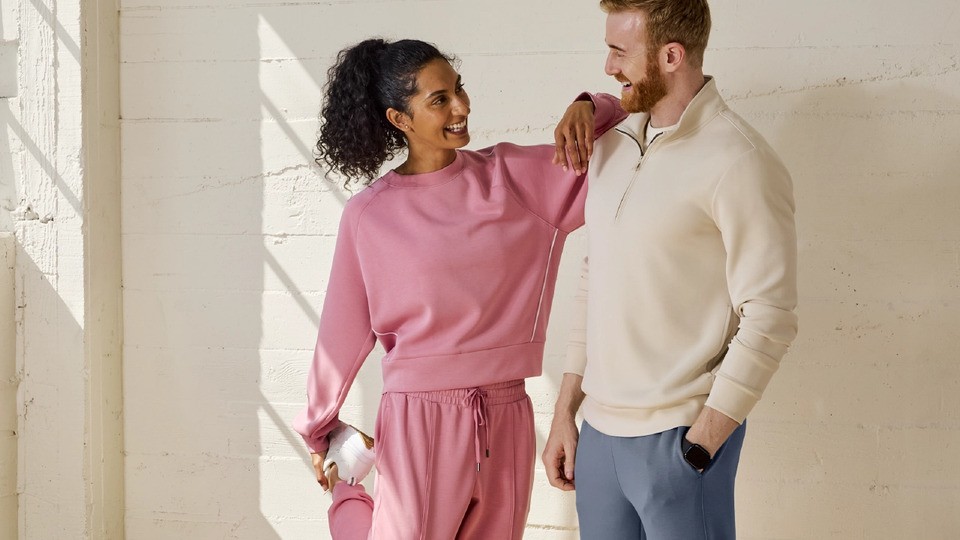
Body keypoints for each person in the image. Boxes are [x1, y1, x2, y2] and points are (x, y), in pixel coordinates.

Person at [293, 38, 626, 539]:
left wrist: (588, 104)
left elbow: (628, 137)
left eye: (459, 89)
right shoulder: (369, 215)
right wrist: (319, 428)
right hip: (419, 417)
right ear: (399, 119)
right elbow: (343, 332)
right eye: (439, 99)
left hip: (507, 410)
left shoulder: (513, 178)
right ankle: (349, 500)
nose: (461, 106)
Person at [541, 1, 799, 538]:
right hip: (599, 443)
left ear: (671, 55)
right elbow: (595, 277)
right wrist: (566, 410)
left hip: (677, 444)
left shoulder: (740, 160)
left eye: (619, 51)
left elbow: (771, 315)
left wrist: (703, 441)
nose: (608, 67)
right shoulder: (610, 146)